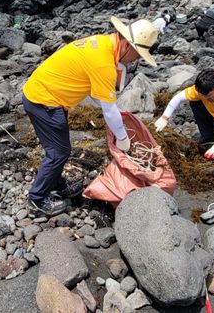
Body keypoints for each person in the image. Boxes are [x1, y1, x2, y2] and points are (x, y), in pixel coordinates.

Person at [22, 17, 159, 216]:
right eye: (138, 54)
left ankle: (57, 184)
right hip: (44, 101)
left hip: (45, 93)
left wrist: (111, 110)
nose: (137, 59)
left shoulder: (102, 43)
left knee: (57, 148)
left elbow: (97, 93)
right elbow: (109, 110)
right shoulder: (103, 63)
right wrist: (122, 137)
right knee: (58, 152)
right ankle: (37, 199)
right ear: (128, 45)